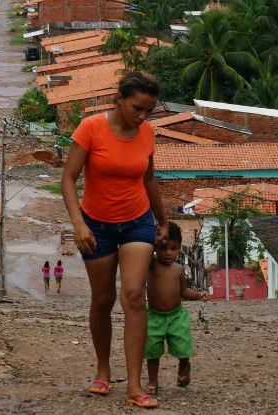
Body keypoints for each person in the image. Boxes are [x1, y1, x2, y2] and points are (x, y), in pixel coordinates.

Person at [61, 71, 169, 408]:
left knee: (135, 296)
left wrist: (163, 221)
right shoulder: (91, 128)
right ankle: (103, 370)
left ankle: (135, 385)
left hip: (137, 222)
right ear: (119, 99)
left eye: (148, 111)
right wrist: (78, 224)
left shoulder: (147, 133)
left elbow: (149, 180)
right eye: (137, 108)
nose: (142, 116)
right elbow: (68, 178)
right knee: (103, 300)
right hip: (97, 225)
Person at [144, 222, 208, 395]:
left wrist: (198, 294)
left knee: (183, 345)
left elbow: (184, 291)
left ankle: (184, 365)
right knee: (152, 351)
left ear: (179, 248)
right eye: (163, 248)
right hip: (154, 316)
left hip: (176, 316)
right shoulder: (151, 265)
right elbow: (146, 247)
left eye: (173, 248)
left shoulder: (178, 269)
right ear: (156, 247)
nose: (168, 253)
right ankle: (152, 381)